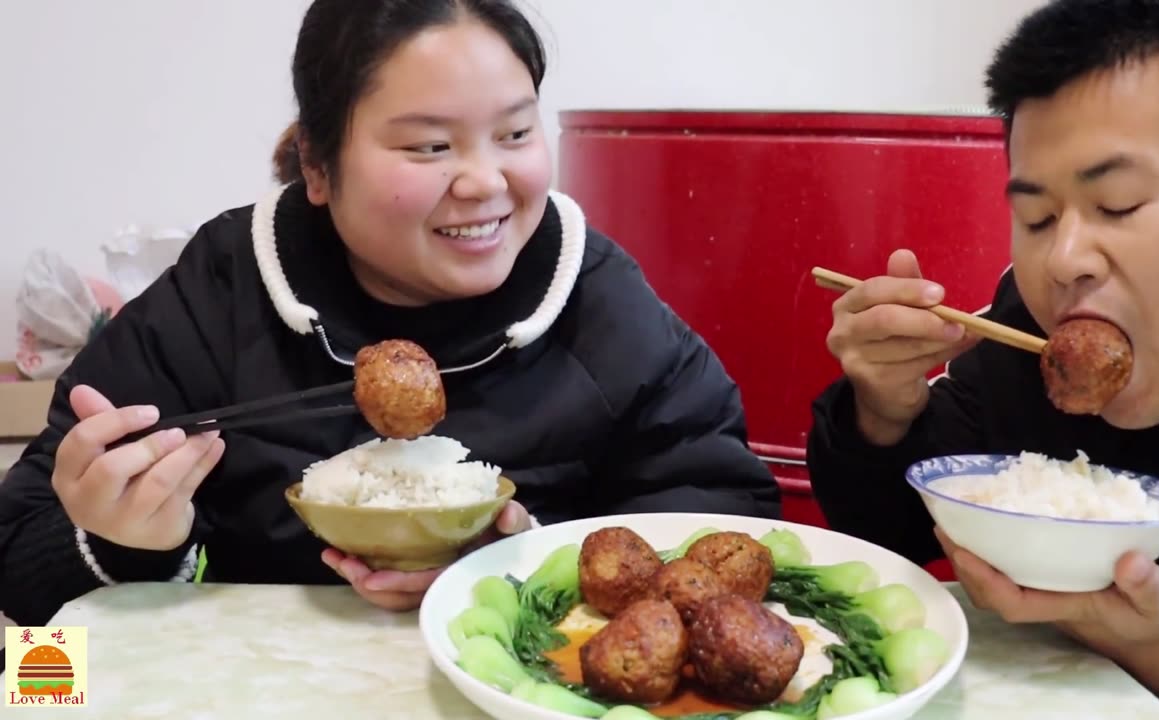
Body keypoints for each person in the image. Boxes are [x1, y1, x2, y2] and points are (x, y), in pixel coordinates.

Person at [0, 0, 780, 631]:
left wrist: (526, 565)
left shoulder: (595, 297)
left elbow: (729, 525)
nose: (484, 182)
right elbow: (21, 544)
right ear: (315, 162)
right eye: (430, 147)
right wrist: (121, 542)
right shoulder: (227, 286)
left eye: (515, 133)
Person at [807, 1, 1159, 718]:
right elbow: (892, 533)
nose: (1063, 260)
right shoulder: (1025, 328)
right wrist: (883, 414)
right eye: (1036, 217)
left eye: (1117, 204)